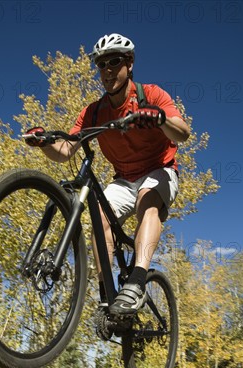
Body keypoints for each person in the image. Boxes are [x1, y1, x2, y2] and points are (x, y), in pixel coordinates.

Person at [25, 33, 190, 316]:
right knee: (99, 218)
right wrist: (43, 143)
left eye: (114, 61)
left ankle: (137, 281)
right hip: (124, 178)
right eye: (101, 64)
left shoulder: (150, 94)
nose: (108, 69)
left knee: (147, 200)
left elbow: (183, 133)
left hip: (159, 169)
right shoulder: (94, 112)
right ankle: (106, 296)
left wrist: (160, 119)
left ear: (130, 63)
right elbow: (66, 150)